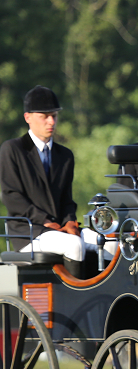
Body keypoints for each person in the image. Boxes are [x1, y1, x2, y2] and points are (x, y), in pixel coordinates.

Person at [0, 86, 110, 277]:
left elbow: (67, 199)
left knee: (108, 242)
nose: (51, 122)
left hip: (59, 229)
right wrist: (44, 221)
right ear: (28, 117)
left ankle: (103, 299)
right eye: (44, 116)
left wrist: (70, 222)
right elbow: (12, 197)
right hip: (27, 231)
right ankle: (77, 301)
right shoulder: (12, 149)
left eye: (54, 116)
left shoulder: (65, 155)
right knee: (74, 245)